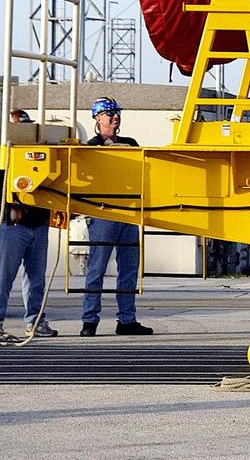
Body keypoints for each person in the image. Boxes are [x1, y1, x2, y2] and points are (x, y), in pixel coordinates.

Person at [0, 109, 57, 338]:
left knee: (36, 278)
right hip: (12, 227)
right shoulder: (0, 157)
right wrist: (5, 214)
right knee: (4, 276)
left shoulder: (39, 155)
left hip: (38, 224)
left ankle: (35, 321)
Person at [80, 97, 152, 337]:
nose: (114, 117)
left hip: (128, 212)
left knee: (129, 269)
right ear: (97, 118)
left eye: (116, 113)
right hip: (102, 214)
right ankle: (89, 321)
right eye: (109, 113)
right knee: (97, 269)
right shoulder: (90, 147)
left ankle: (127, 319)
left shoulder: (130, 143)